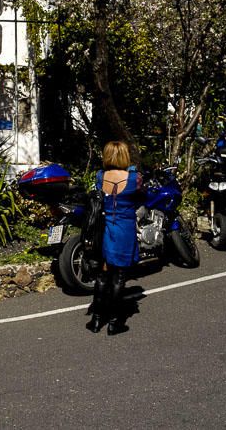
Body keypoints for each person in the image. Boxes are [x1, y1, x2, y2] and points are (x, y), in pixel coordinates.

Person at [86, 140, 143, 336]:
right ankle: (114, 322)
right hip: (124, 229)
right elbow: (142, 197)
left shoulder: (101, 176)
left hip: (105, 228)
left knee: (103, 274)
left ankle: (96, 320)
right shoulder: (134, 178)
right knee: (119, 276)